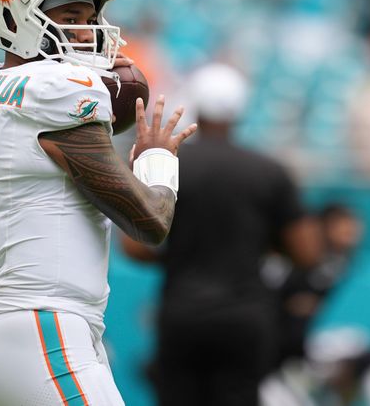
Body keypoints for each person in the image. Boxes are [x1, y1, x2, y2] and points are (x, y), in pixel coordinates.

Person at [0, 0, 196, 406]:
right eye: (70, 17)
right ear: (14, 16)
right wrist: (157, 160)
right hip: (43, 327)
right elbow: (151, 222)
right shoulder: (55, 91)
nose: (86, 32)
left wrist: (96, 123)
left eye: (91, 18)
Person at [122, 63, 321, 406]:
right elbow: (308, 253)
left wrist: (178, 255)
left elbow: (134, 247)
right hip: (246, 315)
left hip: (182, 311)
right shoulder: (269, 171)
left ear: (197, 105)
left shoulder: (173, 163)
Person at [262, 203, 364, 367]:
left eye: (352, 225)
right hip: (287, 342)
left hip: (325, 338)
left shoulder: (349, 265)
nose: (350, 230)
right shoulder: (287, 265)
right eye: (342, 224)